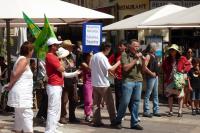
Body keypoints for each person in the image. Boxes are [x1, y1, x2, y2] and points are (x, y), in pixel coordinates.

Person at [112, 39, 144, 130]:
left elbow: (142, 69)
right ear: (130, 46)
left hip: (138, 81)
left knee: (136, 102)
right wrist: (135, 59)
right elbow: (125, 68)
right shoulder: (124, 55)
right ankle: (118, 121)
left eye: (138, 46)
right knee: (125, 102)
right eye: (135, 46)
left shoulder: (138, 55)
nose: (137, 48)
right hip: (128, 81)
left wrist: (143, 60)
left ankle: (134, 123)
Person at [6, 41, 34, 133]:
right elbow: (15, 74)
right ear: (29, 50)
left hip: (21, 93)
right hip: (22, 94)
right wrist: (10, 84)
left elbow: (13, 74)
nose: (33, 52)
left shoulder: (21, 59)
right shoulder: (24, 60)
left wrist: (11, 84)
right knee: (27, 115)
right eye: (32, 50)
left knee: (20, 116)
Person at [90, 42, 120, 127]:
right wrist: (119, 62)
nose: (109, 51)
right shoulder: (103, 57)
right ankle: (113, 121)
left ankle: (96, 121)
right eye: (109, 49)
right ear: (107, 48)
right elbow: (111, 69)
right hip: (103, 84)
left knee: (96, 104)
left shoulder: (94, 56)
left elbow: (92, 67)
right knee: (110, 104)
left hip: (95, 83)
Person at [163, 44, 191, 117]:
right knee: (170, 95)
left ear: (176, 51)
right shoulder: (167, 59)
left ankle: (180, 111)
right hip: (170, 80)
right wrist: (167, 73)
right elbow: (163, 67)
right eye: (171, 50)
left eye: (173, 50)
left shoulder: (182, 58)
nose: (172, 51)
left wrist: (183, 71)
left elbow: (188, 65)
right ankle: (171, 111)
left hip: (179, 79)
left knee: (180, 95)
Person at [45, 37, 64, 133]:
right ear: (52, 46)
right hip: (54, 85)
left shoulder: (52, 55)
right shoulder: (51, 56)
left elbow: (61, 68)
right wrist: (62, 63)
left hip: (56, 85)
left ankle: (53, 128)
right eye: (56, 45)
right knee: (53, 108)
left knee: (55, 108)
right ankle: (49, 130)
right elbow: (61, 69)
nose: (58, 46)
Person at [59, 40, 80, 124]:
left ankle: (72, 116)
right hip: (65, 79)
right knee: (64, 100)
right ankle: (63, 116)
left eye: (71, 46)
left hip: (73, 80)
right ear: (65, 47)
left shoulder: (73, 56)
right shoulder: (62, 56)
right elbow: (62, 68)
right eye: (69, 46)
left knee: (74, 99)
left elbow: (75, 67)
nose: (71, 47)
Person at [108, 40, 128, 112]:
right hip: (118, 79)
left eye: (121, 45)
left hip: (127, 79)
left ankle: (130, 112)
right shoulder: (115, 54)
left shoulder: (128, 54)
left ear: (125, 46)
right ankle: (119, 112)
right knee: (119, 97)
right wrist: (112, 73)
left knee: (127, 97)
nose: (119, 47)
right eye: (118, 45)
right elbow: (107, 63)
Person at [143, 42, 161, 117]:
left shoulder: (155, 55)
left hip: (155, 76)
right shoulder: (148, 56)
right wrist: (151, 73)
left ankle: (156, 110)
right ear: (153, 48)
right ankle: (146, 111)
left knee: (155, 94)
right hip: (151, 77)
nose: (156, 48)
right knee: (148, 94)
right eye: (155, 47)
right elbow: (144, 67)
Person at [81, 52, 93, 122]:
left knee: (95, 100)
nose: (90, 57)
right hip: (87, 82)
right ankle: (88, 114)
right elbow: (89, 69)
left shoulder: (94, 62)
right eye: (89, 56)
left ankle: (92, 114)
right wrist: (91, 57)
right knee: (88, 100)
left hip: (95, 81)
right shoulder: (83, 63)